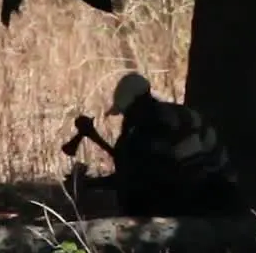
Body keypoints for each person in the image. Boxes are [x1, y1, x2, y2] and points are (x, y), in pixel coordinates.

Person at [68, 72, 245, 218]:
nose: (126, 118)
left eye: (128, 112)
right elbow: (134, 171)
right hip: (187, 191)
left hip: (215, 194)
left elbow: (193, 177)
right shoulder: (142, 129)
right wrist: (92, 184)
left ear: (142, 102)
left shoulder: (178, 123)